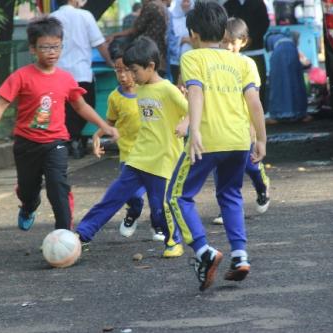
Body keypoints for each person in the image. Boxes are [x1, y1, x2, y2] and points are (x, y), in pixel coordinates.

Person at [0, 16, 118, 232]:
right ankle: (28, 205)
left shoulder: (66, 78)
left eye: (56, 46)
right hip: (26, 143)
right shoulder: (21, 76)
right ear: (33, 49)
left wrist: (104, 125)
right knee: (28, 189)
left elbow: (80, 106)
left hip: (56, 142)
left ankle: (64, 232)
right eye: (45, 47)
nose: (52, 52)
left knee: (58, 186)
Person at [166, 2, 267, 291]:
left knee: (177, 197)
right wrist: (260, 139)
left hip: (208, 140)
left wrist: (194, 130)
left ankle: (204, 251)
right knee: (231, 194)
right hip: (238, 140)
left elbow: (195, 93)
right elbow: (254, 103)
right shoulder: (245, 62)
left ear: (193, 33)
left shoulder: (193, 58)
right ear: (224, 31)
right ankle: (240, 256)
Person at [75, 36, 187, 258]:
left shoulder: (168, 89)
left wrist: (186, 122)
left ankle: (173, 240)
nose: (131, 77)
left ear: (151, 66)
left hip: (163, 160)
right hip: (138, 157)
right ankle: (82, 234)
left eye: (134, 71)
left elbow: (193, 107)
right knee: (112, 197)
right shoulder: (140, 90)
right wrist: (101, 133)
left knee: (160, 207)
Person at [91, 49, 164, 241]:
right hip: (129, 154)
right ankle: (133, 212)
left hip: (152, 153)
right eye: (117, 70)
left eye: (127, 70)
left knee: (157, 196)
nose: (123, 76)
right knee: (132, 194)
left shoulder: (148, 90)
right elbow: (110, 123)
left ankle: (158, 225)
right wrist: (97, 136)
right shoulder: (115, 98)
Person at [212, 17, 271, 225]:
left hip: (243, 127)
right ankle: (225, 208)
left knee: (251, 165)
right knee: (221, 170)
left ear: (243, 42)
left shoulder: (247, 64)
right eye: (223, 41)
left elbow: (254, 102)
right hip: (220, 128)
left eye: (232, 42)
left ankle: (261, 185)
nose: (227, 46)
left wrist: (256, 133)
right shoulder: (214, 65)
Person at [50, 0, 114, 159]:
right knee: (85, 107)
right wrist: (111, 63)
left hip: (59, 74)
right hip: (82, 74)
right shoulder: (85, 16)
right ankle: (76, 139)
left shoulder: (52, 18)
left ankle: (68, 140)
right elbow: (100, 44)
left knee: (64, 111)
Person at [223, 0, 269, 108]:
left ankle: (259, 112)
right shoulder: (228, 4)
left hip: (256, 50)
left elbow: (264, 23)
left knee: (257, 85)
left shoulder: (258, 3)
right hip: (233, 53)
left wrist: (251, 39)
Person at [107, 0, 168, 76]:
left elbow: (135, 29)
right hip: (161, 55)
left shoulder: (150, 6)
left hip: (147, 53)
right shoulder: (162, 6)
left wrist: (114, 35)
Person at [265, 30, 311, 124]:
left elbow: (271, 55)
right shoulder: (290, 41)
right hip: (292, 52)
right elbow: (304, 61)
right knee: (296, 83)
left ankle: (278, 114)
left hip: (278, 54)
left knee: (278, 84)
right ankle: (299, 112)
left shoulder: (269, 38)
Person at [167, 0, 194, 84]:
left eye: (188, 1)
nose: (186, 4)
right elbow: (169, 38)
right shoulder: (172, 18)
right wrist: (181, 40)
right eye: (183, 1)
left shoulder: (196, 18)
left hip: (192, 58)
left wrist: (190, 40)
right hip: (175, 60)